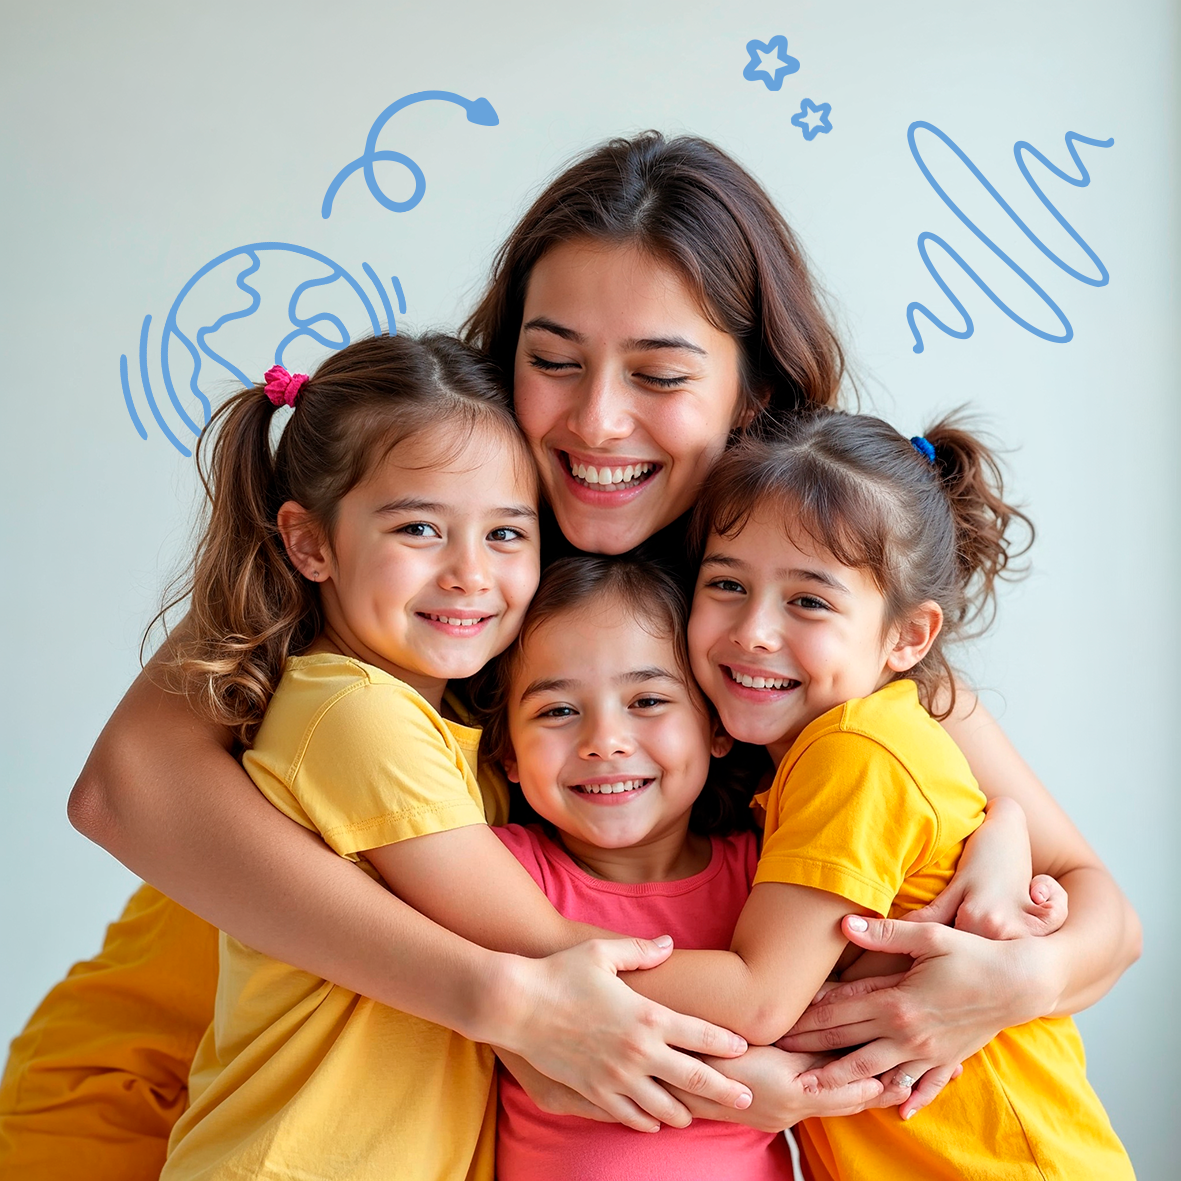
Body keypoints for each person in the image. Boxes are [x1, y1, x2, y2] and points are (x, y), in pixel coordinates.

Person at [1, 132, 1139, 1178]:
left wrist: (1012, 967)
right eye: (554, 360)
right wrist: (505, 1002)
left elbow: (1102, 913)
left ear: (751, 393)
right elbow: (123, 786)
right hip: (150, 1103)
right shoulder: (410, 543)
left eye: (659, 374)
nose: (596, 420)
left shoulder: (789, 622)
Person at [625, 411, 1135, 1179]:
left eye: (808, 600)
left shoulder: (854, 751)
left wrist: (537, 957)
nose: (754, 630)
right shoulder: (841, 745)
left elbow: (758, 999)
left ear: (907, 636)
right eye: (727, 584)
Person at [479, 554, 926, 1180]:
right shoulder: (495, 875)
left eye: (647, 700)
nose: (605, 741)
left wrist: (1004, 835)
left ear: (716, 727)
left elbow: (881, 988)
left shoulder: (770, 877)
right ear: (506, 752)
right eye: (557, 711)